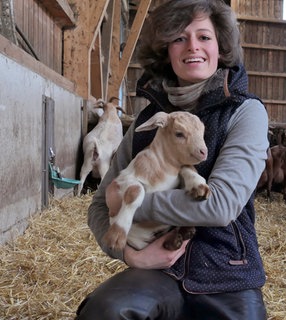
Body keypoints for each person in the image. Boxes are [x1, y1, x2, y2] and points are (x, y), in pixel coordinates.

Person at [75, 0, 269, 319]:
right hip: (156, 273)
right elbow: (99, 205)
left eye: (204, 37)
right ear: (166, 50)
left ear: (220, 46)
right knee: (106, 311)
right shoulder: (147, 122)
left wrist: (127, 202)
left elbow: (221, 205)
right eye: (179, 38)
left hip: (226, 272)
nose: (192, 46)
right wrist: (127, 253)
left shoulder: (245, 112)